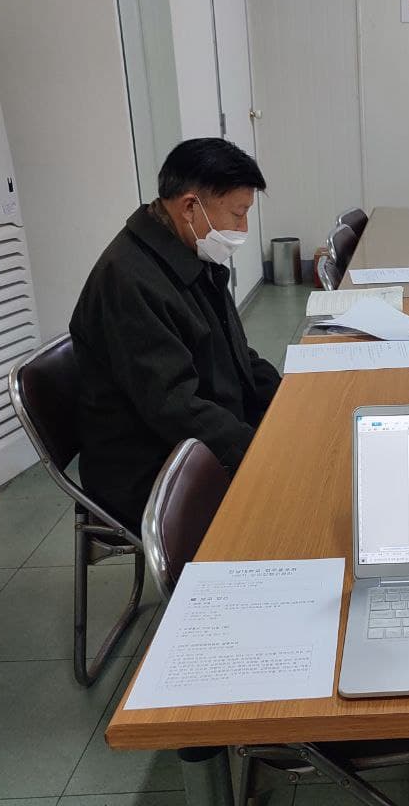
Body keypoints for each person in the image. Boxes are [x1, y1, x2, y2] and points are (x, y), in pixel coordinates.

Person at [70, 138, 281, 533]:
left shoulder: (189, 254)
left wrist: (286, 402)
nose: (243, 229)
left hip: (199, 435)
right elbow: (175, 407)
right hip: (151, 468)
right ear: (189, 207)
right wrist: (259, 452)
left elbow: (236, 353)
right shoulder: (128, 281)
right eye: (238, 214)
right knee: (298, 499)